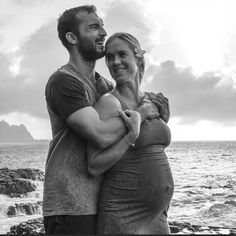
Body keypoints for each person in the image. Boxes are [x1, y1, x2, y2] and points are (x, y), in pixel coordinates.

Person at [43, 5, 165, 234]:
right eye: (93, 27)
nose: (103, 33)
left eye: (102, 26)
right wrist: (143, 112)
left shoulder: (102, 85)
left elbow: (135, 101)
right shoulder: (64, 81)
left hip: (99, 201)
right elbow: (100, 134)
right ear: (72, 37)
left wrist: (153, 103)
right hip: (70, 206)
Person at [86, 33, 174, 234]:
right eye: (109, 57)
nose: (115, 62)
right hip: (123, 214)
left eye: (122, 54)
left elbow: (150, 146)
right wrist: (129, 137)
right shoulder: (110, 103)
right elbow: (94, 165)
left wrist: (163, 121)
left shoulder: (150, 101)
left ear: (138, 57)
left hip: (158, 216)